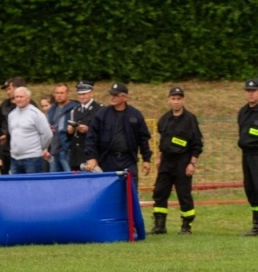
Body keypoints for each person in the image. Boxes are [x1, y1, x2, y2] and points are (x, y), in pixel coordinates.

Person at [149, 87, 204, 235]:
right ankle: (160, 226)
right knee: (160, 192)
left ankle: (186, 226)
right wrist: (159, 158)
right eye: (173, 99)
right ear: (168, 100)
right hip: (166, 161)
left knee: (184, 194)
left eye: (179, 99)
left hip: (183, 161)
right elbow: (163, 141)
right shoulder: (164, 119)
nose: (176, 102)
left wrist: (192, 163)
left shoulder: (190, 119)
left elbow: (197, 144)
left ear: (183, 100)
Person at [83, 82, 152, 186]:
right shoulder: (102, 114)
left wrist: (146, 159)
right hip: (107, 159)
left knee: (130, 190)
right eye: (111, 94)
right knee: (108, 190)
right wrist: (91, 157)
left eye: (115, 95)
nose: (112, 97)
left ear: (124, 97)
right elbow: (91, 137)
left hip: (128, 160)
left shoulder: (135, 115)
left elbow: (143, 138)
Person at [8, 87, 53, 174]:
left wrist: (39, 148)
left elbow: (47, 134)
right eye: (16, 97)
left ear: (28, 98)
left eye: (21, 97)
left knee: (33, 183)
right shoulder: (11, 115)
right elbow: (12, 133)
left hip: (32, 159)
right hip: (15, 159)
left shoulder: (36, 114)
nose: (18, 99)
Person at [0, 77, 30, 175]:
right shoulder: (4, 105)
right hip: (5, 150)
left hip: (24, 152)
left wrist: (8, 134)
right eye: (6, 90)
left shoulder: (30, 106)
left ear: (17, 88)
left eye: (9, 89)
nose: (7, 92)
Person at [238, 77, 258, 236]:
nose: (250, 94)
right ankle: (257, 225)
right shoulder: (243, 112)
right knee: (250, 188)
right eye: (248, 91)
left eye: (254, 91)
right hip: (246, 155)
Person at [67, 81, 103, 170]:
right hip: (76, 155)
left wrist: (88, 130)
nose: (81, 97)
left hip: (91, 153)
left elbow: (103, 131)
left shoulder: (99, 109)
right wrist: (70, 131)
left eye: (84, 94)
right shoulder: (75, 110)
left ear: (91, 93)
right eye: (79, 94)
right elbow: (72, 137)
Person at [46, 83, 79, 172]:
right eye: (57, 93)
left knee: (70, 177)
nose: (59, 95)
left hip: (67, 149)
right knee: (54, 178)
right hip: (54, 149)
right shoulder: (52, 109)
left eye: (62, 93)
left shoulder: (75, 108)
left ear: (68, 94)